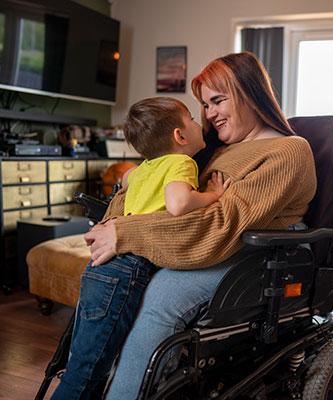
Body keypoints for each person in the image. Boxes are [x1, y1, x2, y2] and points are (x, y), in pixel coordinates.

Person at [75, 51, 317, 399]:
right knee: (118, 278)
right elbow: (158, 194)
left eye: (218, 101)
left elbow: (221, 223)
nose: (209, 114)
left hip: (255, 251)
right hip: (206, 241)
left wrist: (127, 233)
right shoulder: (216, 150)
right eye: (204, 105)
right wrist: (111, 224)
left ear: (249, 94)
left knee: (163, 293)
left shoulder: (288, 151)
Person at [51, 97, 230, 399]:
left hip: (102, 267)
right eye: (193, 120)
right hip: (129, 268)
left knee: (84, 358)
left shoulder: (143, 168)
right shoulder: (182, 162)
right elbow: (178, 204)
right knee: (90, 370)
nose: (203, 123)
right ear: (180, 136)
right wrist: (212, 195)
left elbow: (124, 179)